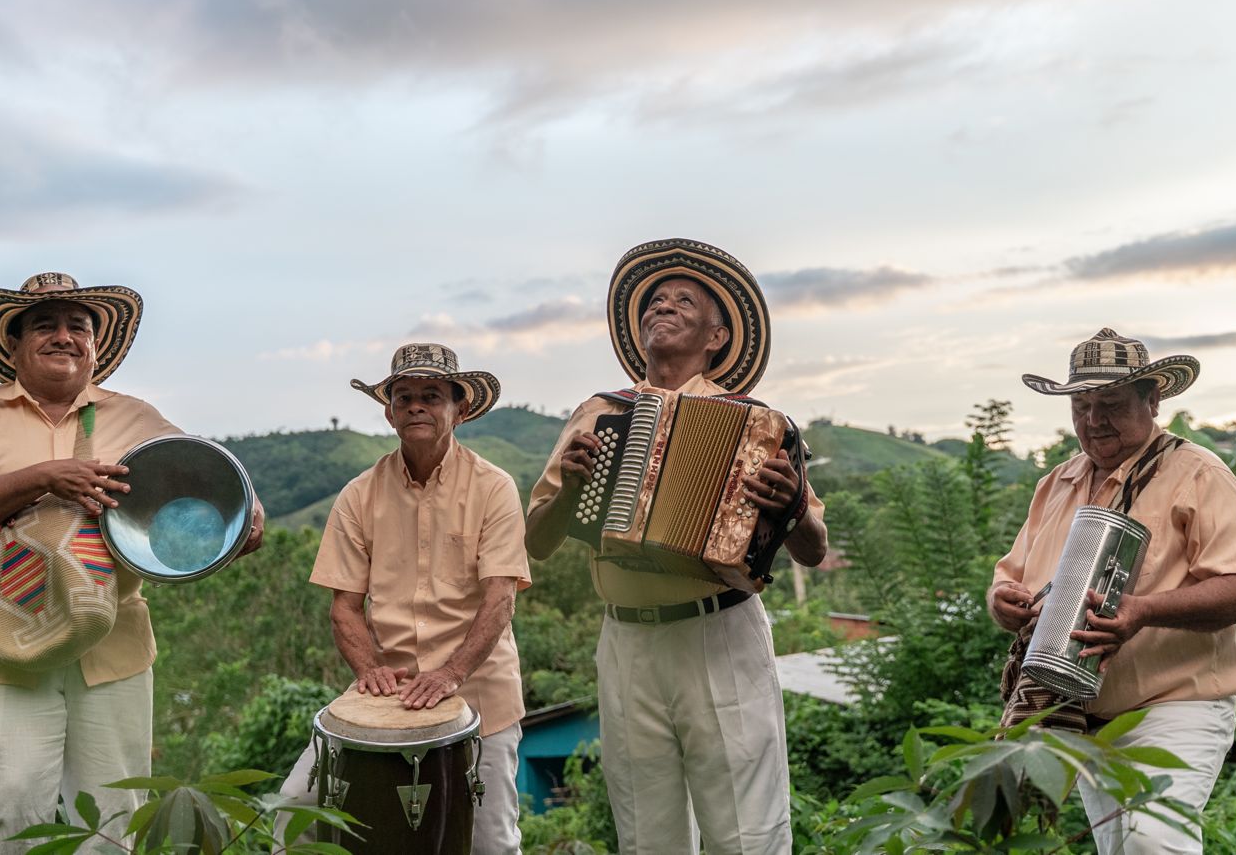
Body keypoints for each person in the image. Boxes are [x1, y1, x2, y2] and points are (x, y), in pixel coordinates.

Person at [0, 272, 265, 854]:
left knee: (114, 819)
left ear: (95, 345)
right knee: (7, 807)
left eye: (77, 326)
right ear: (13, 344)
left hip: (113, 646)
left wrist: (249, 509)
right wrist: (43, 477)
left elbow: (203, 478)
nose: (64, 336)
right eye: (44, 325)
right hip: (7, 648)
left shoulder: (136, 418)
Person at [525, 238, 828, 855]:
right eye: (655, 301)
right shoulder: (598, 413)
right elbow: (537, 541)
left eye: (683, 301)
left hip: (721, 633)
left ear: (717, 337)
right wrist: (573, 490)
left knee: (747, 834)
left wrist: (793, 502)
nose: (661, 306)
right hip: (626, 639)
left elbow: (813, 550)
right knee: (645, 835)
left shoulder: (758, 424)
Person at [988, 328, 1236, 854]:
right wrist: (1002, 600)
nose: (1094, 420)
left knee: (1153, 842)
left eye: (1112, 404)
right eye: (1082, 406)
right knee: (1120, 847)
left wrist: (1140, 611)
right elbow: (1013, 575)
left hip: (1176, 705)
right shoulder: (1057, 482)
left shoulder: (1199, 474)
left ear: (1153, 400)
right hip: (1081, 712)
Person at [277, 343, 530, 855]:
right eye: (404, 397)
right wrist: (369, 670)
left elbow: (500, 598)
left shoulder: (493, 487)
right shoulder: (359, 494)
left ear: (459, 409)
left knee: (491, 844)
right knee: (294, 811)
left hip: (480, 695)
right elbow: (344, 607)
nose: (416, 406)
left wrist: (450, 673)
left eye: (431, 395)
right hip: (388, 698)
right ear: (390, 413)